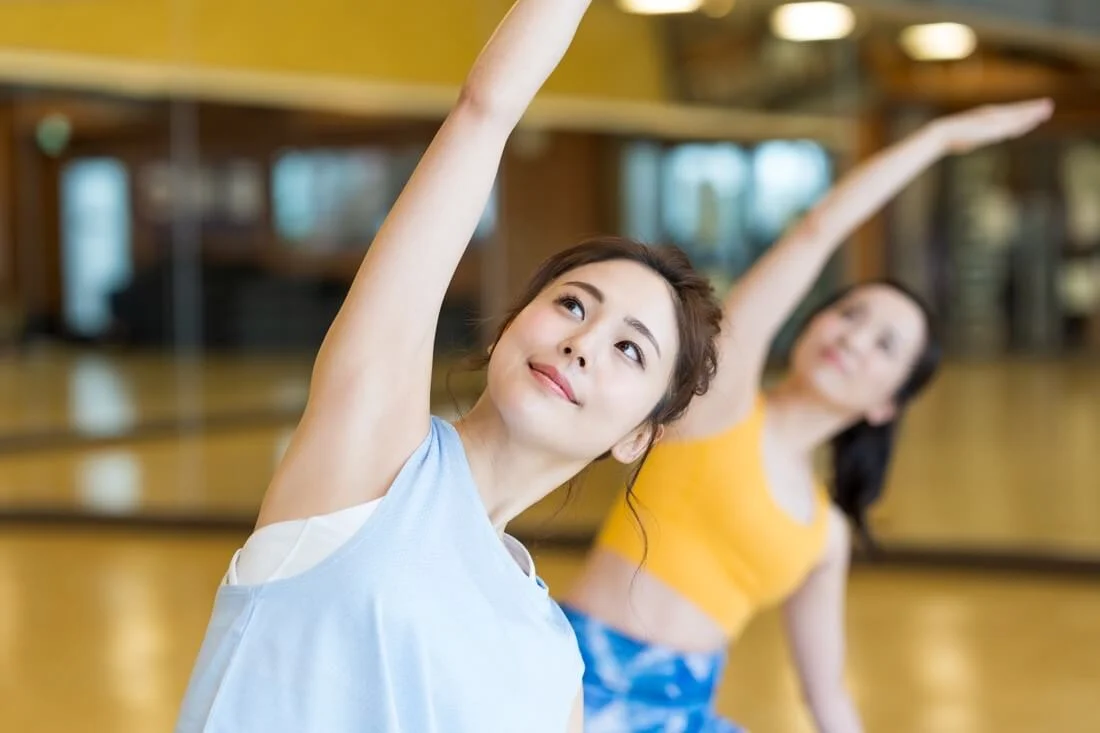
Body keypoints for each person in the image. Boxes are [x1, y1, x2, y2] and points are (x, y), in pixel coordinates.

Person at [173, 2, 725, 732]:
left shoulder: (552, 654)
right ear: (508, 329)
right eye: (571, 305)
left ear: (638, 436)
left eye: (631, 348)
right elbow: (483, 113)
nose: (583, 340)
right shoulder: (372, 458)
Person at [563, 98, 1054, 733]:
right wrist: (934, 140)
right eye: (850, 315)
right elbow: (816, 232)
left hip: (679, 714)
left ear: (886, 405)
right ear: (814, 320)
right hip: (576, 683)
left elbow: (827, 697)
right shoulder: (718, 399)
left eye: (884, 345)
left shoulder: (826, 536)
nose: (853, 338)